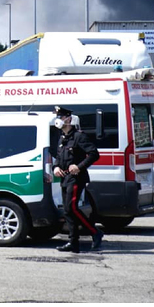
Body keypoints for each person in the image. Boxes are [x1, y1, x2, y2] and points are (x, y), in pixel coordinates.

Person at [53, 107, 104, 253]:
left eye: (61, 117)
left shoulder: (79, 137)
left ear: (69, 119)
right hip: (64, 178)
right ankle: (73, 242)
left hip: (76, 178)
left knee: (72, 208)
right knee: (68, 211)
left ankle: (95, 232)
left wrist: (79, 166)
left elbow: (94, 154)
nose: (59, 120)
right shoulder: (62, 138)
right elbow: (58, 156)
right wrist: (56, 167)